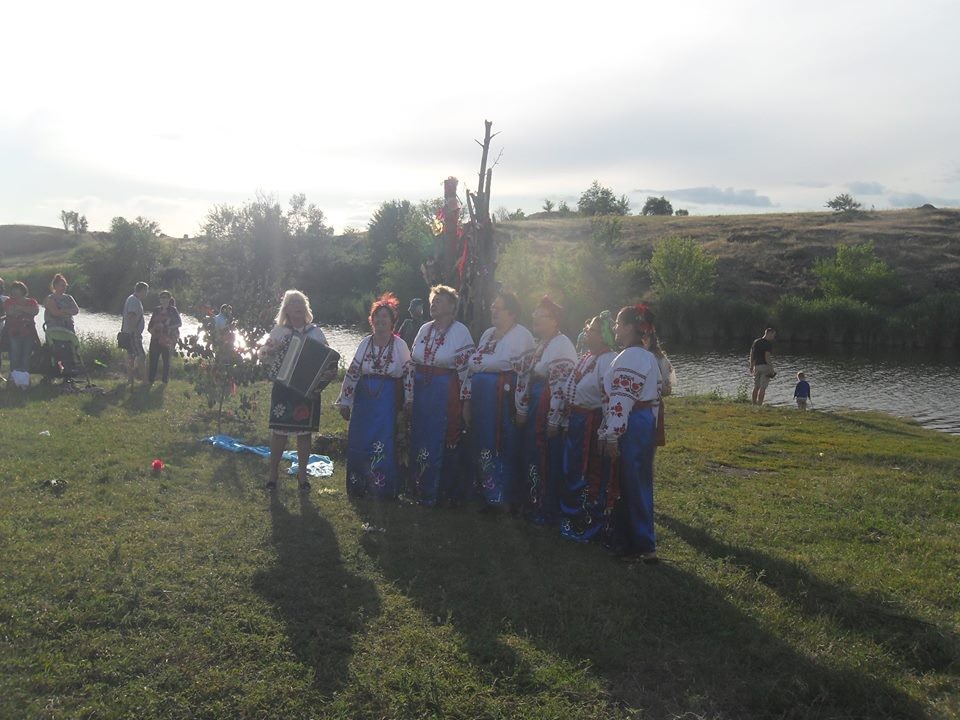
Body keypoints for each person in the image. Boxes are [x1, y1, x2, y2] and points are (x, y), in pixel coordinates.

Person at [461, 291, 535, 510]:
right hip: (482, 401)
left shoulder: (522, 336)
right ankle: (485, 493)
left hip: (505, 401)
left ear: (511, 313)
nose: (493, 310)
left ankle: (505, 497)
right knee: (482, 441)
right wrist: (467, 401)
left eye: (498, 307)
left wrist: (522, 408)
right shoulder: (487, 334)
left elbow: (522, 372)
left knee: (504, 443)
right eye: (492, 306)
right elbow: (472, 368)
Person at [599, 304, 662, 563]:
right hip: (642, 421)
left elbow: (621, 401)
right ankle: (632, 541)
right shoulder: (646, 356)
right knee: (637, 481)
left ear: (628, 327)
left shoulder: (630, 358)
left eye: (618, 323)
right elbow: (656, 398)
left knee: (631, 482)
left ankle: (641, 545)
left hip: (631, 421)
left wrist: (612, 434)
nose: (615, 327)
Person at [336, 292, 413, 499]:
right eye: (377, 317)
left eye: (385, 317)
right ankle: (358, 484)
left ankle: (382, 487)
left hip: (387, 399)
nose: (380, 320)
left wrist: (409, 399)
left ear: (392, 321)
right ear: (371, 320)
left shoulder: (400, 346)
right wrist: (345, 401)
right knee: (359, 438)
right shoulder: (364, 344)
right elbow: (353, 373)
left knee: (383, 438)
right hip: (364, 400)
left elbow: (408, 374)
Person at [259, 290, 336, 492]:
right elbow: (263, 355)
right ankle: (273, 474)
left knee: (304, 433)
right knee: (279, 432)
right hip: (283, 388)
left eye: (300, 303)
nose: (297, 307)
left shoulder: (316, 333)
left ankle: (302, 476)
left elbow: (328, 361)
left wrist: (325, 377)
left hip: (306, 391)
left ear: (305, 308)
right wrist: (272, 351)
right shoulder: (279, 332)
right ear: (286, 309)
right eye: (293, 303)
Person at [513, 296, 577, 525]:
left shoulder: (562, 345)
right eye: (535, 314)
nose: (535, 318)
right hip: (536, 405)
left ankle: (547, 508)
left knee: (547, 456)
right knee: (532, 453)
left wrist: (554, 419)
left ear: (554, 320)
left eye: (541, 315)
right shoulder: (542, 343)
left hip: (548, 408)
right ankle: (533, 503)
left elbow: (561, 386)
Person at [409, 285, 475, 507]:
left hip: (446, 392)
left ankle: (442, 492)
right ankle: (419, 487)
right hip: (422, 392)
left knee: (445, 435)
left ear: (452, 306)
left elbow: (467, 372)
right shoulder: (424, 329)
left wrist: (466, 402)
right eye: (433, 300)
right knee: (421, 435)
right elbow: (413, 360)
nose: (433, 303)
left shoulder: (460, 332)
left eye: (439, 300)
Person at [559, 311, 618, 543]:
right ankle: (572, 516)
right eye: (587, 328)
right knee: (573, 468)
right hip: (577, 421)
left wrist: (605, 431)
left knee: (590, 471)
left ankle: (590, 523)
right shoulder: (587, 357)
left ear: (604, 335)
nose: (587, 332)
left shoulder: (609, 360)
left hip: (592, 424)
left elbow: (609, 400)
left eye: (592, 330)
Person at [3, 281, 40, 390]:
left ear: (22, 290)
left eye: (17, 289)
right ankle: (14, 381)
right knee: (14, 356)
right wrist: (25, 310)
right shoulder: (9, 301)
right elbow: (10, 312)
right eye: (13, 289)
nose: (14, 291)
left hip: (28, 333)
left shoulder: (32, 301)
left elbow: (35, 311)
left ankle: (23, 381)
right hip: (14, 333)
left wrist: (19, 308)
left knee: (26, 356)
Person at [44, 273, 80, 380]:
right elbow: (55, 313)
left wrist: (62, 311)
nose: (64, 287)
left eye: (65, 285)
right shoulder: (50, 298)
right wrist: (66, 311)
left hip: (68, 328)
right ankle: (53, 372)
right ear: (55, 286)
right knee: (57, 350)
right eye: (62, 285)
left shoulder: (69, 298)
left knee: (70, 350)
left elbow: (76, 310)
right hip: (55, 330)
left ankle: (69, 373)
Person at [146, 290, 182, 384]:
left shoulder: (173, 310)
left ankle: (164, 381)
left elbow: (179, 323)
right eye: (161, 297)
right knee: (153, 359)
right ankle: (151, 380)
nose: (163, 299)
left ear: (169, 299)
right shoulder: (156, 310)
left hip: (168, 339)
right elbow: (150, 324)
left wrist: (168, 327)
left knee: (166, 361)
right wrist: (151, 330)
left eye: (165, 297)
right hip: (155, 338)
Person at [122, 282, 149, 385]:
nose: (146, 294)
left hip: (130, 333)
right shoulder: (134, 300)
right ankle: (145, 381)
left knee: (130, 356)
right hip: (133, 334)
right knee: (141, 356)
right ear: (142, 290)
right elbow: (131, 317)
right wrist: (135, 332)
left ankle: (130, 379)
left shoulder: (133, 299)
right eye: (146, 291)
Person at [749, 327, 777, 405]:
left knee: (756, 387)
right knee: (763, 387)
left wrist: (751, 365)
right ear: (769, 333)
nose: (773, 337)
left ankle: (754, 404)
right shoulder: (768, 344)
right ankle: (759, 405)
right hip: (765, 367)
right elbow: (767, 357)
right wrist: (771, 369)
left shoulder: (756, 342)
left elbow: (752, 354)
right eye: (773, 335)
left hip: (757, 366)